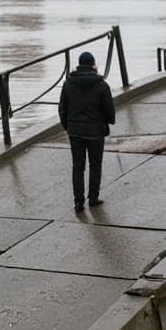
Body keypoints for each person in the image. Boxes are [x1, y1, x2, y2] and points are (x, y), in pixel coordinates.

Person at [58, 51, 116, 212]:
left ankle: (78, 201)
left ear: (79, 65)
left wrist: (67, 126)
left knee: (78, 166)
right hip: (96, 131)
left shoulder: (68, 83)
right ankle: (93, 198)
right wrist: (108, 121)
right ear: (93, 65)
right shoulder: (102, 85)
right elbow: (109, 111)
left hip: (75, 131)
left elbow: (62, 108)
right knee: (95, 165)